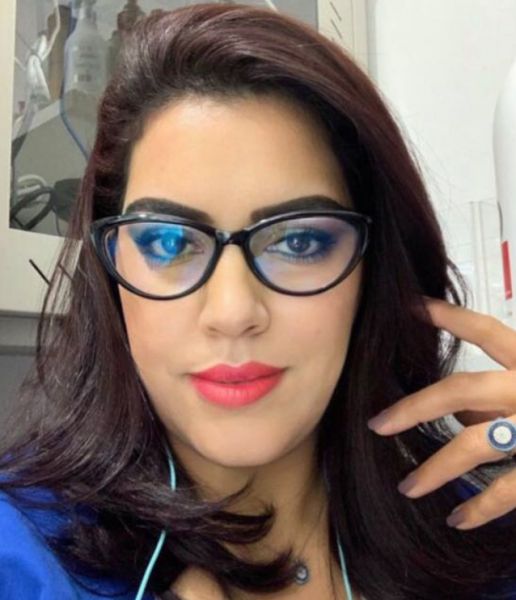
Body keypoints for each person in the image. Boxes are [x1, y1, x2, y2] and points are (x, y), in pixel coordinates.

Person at [2, 4, 516, 599]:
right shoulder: (20, 558)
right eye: (168, 241)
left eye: (299, 241)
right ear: (109, 269)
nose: (233, 313)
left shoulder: (482, 535)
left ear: (371, 274)